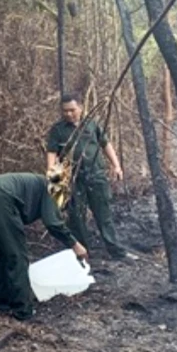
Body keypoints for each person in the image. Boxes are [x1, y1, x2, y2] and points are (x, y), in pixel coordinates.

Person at [0, 172, 88, 321]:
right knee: (17, 256)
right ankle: (23, 310)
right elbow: (52, 222)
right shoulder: (52, 188)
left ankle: (3, 304)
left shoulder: (38, 184)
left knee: (3, 254)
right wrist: (75, 245)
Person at [46, 94, 133, 260]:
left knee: (103, 213)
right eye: (65, 111)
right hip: (72, 178)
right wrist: (52, 177)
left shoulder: (91, 124)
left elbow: (105, 144)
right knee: (76, 215)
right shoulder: (58, 130)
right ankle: (83, 253)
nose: (69, 114)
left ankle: (116, 251)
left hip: (96, 175)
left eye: (72, 110)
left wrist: (116, 166)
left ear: (80, 108)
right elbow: (52, 153)